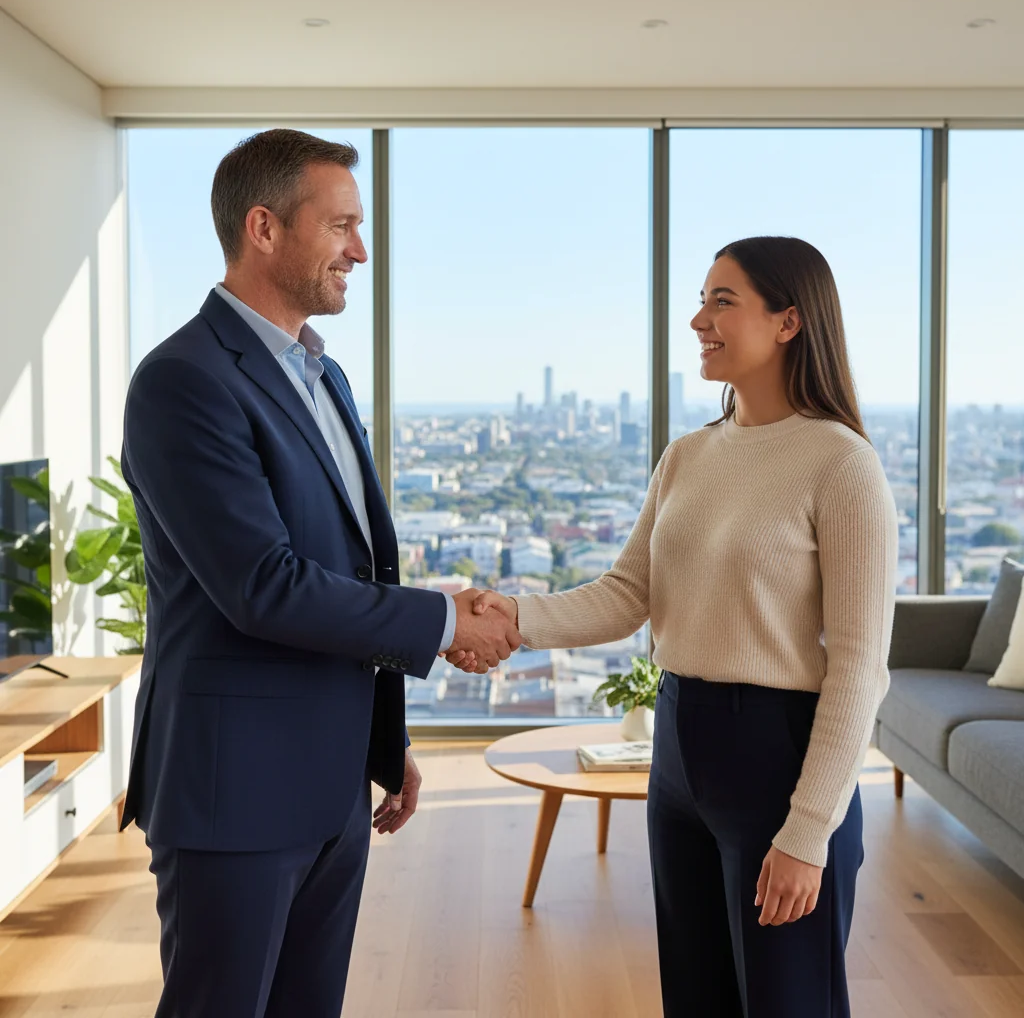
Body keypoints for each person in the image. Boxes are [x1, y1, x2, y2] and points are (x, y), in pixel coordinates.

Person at [119, 128, 520, 1018]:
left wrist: (383, 737)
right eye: (341, 226)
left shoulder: (323, 374)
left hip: (331, 786)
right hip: (235, 794)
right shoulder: (182, 381)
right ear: (264, 228)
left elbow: (347, 564)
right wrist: (445, 621)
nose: (360, 251)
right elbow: (263, 585)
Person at [458, 236, 898, 1017]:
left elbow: (860, 669)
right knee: (695, 998)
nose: (698, 320)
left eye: (722, 302)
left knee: (789, 1002)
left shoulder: (841, 464)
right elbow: (628, 592)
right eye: (700, 301)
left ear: (789, 321)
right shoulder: (688, 456)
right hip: (680, 752)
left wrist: (808, 831)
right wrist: (517, 615)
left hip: (779, 759)